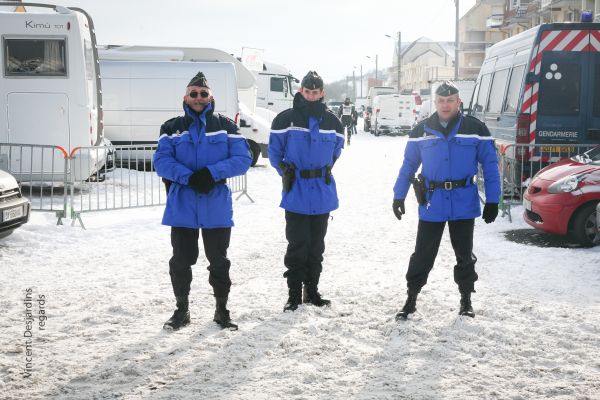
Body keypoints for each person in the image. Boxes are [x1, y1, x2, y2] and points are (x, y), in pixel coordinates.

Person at [391, 81, 501, 320]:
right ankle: (411, 298)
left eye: (450, 100)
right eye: (441, 100)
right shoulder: (421, 131)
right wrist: (398, 195)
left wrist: (493, 200)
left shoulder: (475, 128)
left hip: (463, 202)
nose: (445, 105)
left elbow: (490, 166)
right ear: (435, 102)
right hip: (432, 203)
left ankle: (466, 300)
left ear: (458, 102)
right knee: (422, 254)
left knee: (464, 254)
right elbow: (409, 165)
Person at [154, 71, 252, 331]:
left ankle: (221, 310)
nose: (199, 98)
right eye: (194, 94)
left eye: (203, 94)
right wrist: (188, 177)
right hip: (183, 204)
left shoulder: (226, 126)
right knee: (181, 260)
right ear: (185, 97)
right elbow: (161, 161)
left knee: (219, 261)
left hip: (216, 203)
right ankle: (181, 310)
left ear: (211, 97)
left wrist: (211, 173)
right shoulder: (171, 127)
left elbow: (243, 158)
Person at [268, 70, 345, 311]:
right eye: (307, 91)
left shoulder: (333, 121)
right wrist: (288, 174)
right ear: (301, 91)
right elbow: (274, 153)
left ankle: (312, 291)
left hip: (322, 192)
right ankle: (293, 295)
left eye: (316, 92)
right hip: (297, 192)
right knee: (297, 245)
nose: (311, 96)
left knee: (316, 247)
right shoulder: (284, 119)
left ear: (322, 93)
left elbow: (336, 151)